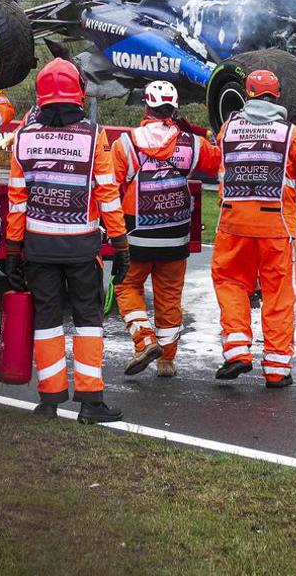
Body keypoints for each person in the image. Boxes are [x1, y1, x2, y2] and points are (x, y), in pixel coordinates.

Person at [4, 59, 127, 423]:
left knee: (47, 320)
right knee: (88, 319)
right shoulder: (94, 137)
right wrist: (120, 244)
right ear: (77, 93)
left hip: (38, 247)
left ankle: (50, 399)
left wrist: (13, 250)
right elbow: (107, 194)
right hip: (81, 248)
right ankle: (91, 402)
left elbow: (17, 199)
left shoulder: (24, 137)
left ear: (41, 97)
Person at [211, 70, 296, 387]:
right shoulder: (291, 134)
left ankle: (238, 351)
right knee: (277, 296)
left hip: (233, 224)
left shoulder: (227, 130)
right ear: (277, 96)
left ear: (247, 95)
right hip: (276, 227)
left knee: (231, 283)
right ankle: (277, 370)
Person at [110, 81, 222, 378]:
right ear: (175, 109)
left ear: (145, 106)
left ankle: (143, 339)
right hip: (176, 236)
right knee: (169, 297)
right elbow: (218, 161)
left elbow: (109, 185)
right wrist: (203, 132)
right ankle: (167, 362)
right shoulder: (192, 144)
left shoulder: (126, 143)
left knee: (126, 286)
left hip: (136, 235)